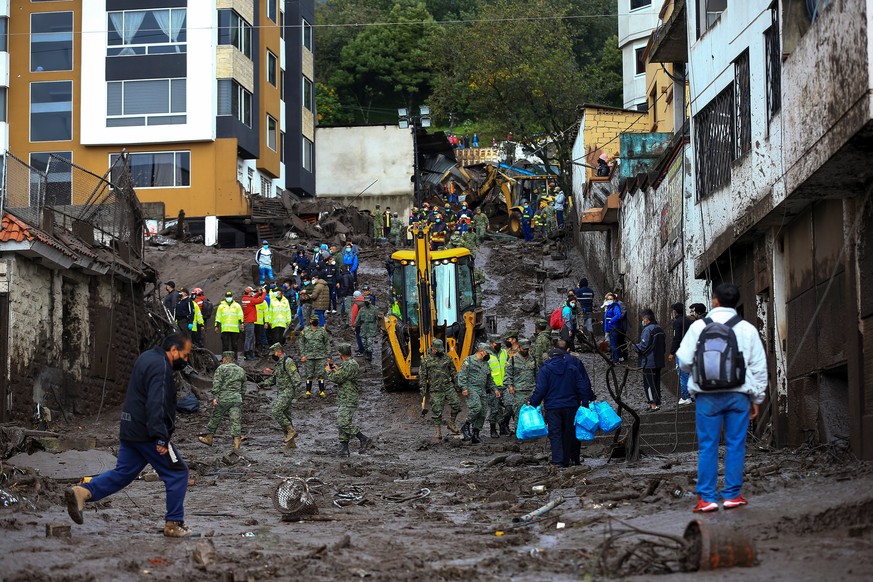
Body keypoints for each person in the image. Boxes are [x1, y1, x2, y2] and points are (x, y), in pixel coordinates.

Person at [64, 333, 193, 537]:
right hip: (148, 432)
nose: (186, 361)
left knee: (123, 473)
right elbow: (156, 402)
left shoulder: (146, 357)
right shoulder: (161, 366)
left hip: (130, 428)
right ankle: (174, 523)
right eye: (185, 355)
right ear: (174, 350)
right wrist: (160, 436)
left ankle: (83, 491)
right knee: (177, 472)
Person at [676, 283, 767, 513]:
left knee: (708, 445)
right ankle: (732, 495)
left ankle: (706, 498)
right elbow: (758, 367)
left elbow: (684, 361)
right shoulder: (746, 328)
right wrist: (756, 398)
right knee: (736, 444)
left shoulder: (698, 327)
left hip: (707, 396)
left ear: (714, 300)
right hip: (739, 395)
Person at [528, 340, 595, 468]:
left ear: (550, 357)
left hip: (553, 407)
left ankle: (558, 461)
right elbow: (582, 386)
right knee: (568, 432)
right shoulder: (572, 368)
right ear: (563, 356)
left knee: (555, 433)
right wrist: (585, 401)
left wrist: (533, 402)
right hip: (571, 406)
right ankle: (568, 459)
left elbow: (541, 389)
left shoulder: (545, 369)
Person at [326, 343, 372, 457]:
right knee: (343, 421)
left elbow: (338, 379)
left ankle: (363, 438)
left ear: (340, 353)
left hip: (349, 398)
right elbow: (344, 376)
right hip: (344, 397)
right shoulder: (348, 364)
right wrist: (337, 369)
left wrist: (329, 371)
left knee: (342, 423)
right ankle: (344, 448)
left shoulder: (349, 364)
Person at [197, 351, 246, 450]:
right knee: (235, 421)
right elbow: (244, 387)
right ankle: (236, 445)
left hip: (223, 398)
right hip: (236, 399)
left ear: (224, 359)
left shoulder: (221, 368)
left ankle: (209, 438)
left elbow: (217, 384)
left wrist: (215, 397)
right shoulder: (241, 370)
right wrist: (240, 397)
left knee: (216, 418)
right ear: (233, 359)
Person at [260, 343, 302, 448]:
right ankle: (291, 443)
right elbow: (274, 379)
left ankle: (291, 431)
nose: (272, 356)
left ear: (279, 351)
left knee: (276, 410)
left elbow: (296, 378)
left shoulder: (288, 362)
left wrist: (297, 393)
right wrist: (262, 383)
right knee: (286, 416)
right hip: (281, 391)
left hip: (288, 391)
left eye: (273, 353)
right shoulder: (279, 364)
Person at [419, 339, 461, 442]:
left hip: (448, 386)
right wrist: (423, 390)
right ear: (433, 348)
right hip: (435, 389)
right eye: (438, 349)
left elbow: (453, 372)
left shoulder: (447, 358)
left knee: (456, 404)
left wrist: (458, 385)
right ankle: (438, 431)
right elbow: (423, 377)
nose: (440, 351)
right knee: (437, 410)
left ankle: (451, 423)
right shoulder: (426, 360)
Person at [458, 343, 499, 445]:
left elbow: (489, 379)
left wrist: (495, 389)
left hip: (482, 390)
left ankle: (476, 434)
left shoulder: (485, 363)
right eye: (487, 352)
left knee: (483, 412)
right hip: (472, 388)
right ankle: (466, 426)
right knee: (477, 407)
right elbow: (462, 375)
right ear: (482, 351)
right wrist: (464, 388)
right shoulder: (469, 361)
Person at [634, 309, 666, 412]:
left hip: (649, 361)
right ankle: (657, 402)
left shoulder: (648, 330)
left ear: (646, 319)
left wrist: (635, 346)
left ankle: (653, 404)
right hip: (659, 360)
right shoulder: (660, 329)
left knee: (649, 384)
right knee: (656, 383)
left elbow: (643, 346)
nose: (642, 321)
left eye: (642, 319)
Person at [505, 338, 537, 434]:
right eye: (524, 349)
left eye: (527, 349)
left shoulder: (533, 359)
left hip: (531, 389)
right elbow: (508, 375)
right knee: (519, 411)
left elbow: (537, 374)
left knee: (533, 412)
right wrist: (510, 386)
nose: (525, 351)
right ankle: (519, 431)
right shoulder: (513, 360)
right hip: (518, 391)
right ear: (519, 348)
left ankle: (531, 431)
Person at [668, 302, 694, 405]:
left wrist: (672, 352)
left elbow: (676, 338)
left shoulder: (678, 322)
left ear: (675, 311)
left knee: (683, 374)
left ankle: (685, 397)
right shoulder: (689, 321)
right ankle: (692, 396)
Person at [299, 314, 330, 397]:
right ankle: (308, 391)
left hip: (320, 356)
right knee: (309, 374)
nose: (314, 321)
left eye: (316, 319)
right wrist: (302, 355)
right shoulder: (305, 331)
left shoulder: (322, 331)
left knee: (321, 374)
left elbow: (327, 343)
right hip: (308, 356)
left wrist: (328, 356)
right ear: (310, 321)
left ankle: (321, 391)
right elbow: (301, 343)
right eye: (313, 319)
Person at [486, 335, 510, 438]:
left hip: (505, 385)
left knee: (510, 406)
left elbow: (508, 367)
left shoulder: (504, 352)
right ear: (491, 343)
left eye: (500, 343)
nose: (499, 345)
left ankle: (504, 425)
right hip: (492, 386)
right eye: (497, 344)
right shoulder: (487, 355)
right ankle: (493, 429)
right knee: (495, 409)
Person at [240, 286, 266, 360]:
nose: (252, 293)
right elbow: (260, 300)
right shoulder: (250, 300)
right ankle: (248, 353)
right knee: (249, 338)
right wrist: (264, 293)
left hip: (247, 321)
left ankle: (249, 353)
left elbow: (253, 298)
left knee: (251, 338)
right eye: (251, 292)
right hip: (249, 322)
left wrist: (258, 293)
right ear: (249, 293)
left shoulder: (244, 299)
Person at [603, 293, 623, 364]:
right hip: (609, 328)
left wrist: (611, 320)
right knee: (613, 344)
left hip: (613, 328)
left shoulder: (615, 307)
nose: (609, 300)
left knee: (613, 344)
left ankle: (615, 359)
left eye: (611, 299)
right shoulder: (609, 307)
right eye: (608, 299)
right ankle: (616, 358)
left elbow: (618, 315)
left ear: (614, 300)